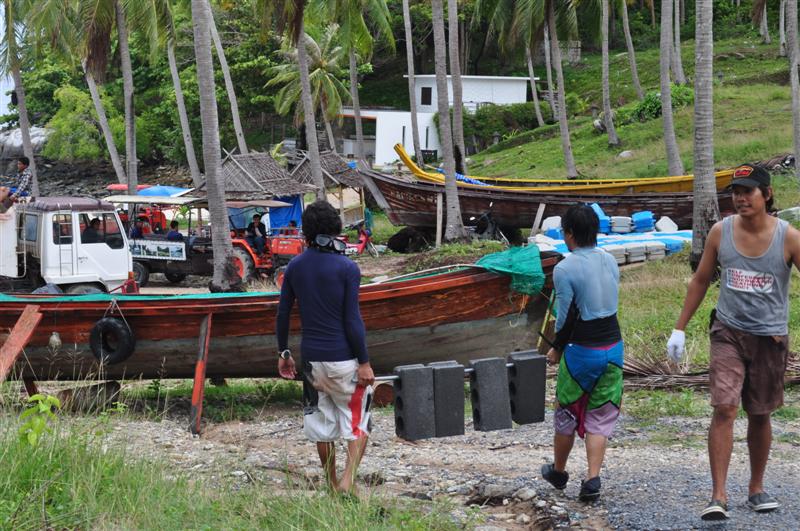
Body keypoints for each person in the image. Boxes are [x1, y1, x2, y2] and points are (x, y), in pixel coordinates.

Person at [667, 164, 800, 521]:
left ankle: (756, 488)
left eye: (748, 191)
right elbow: (701, 280)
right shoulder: (719, 232)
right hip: (727, 331)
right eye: (735, 192)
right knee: (724, 407)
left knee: (760, 411)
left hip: (770, 338)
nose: (741, 198)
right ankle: (718, 495)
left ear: (767, 194)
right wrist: (679, 328)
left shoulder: (789, 237)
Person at [276, 200, 375, 495]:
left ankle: (332, 485)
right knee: (357, 423)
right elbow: (352, 319)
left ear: (306, 232)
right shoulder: (347, 267)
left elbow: (283, 313)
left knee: (323, 427)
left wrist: (284, 353)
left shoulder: (295, 266)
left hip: (312, 362)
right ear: (335, 229)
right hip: (344, 360)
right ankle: (348, 481)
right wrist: (365, 361)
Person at [541, 204, 623, 502]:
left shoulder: (565, 267)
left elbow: (564, 318)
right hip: (614, 347)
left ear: (569, 233)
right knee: (600, 415)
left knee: (567, 411)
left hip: (580, 352)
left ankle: (559, 472)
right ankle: (592, 478)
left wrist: (555, 350)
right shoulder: (610, 259)